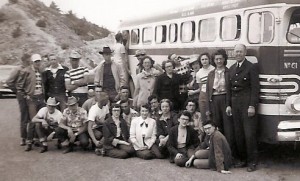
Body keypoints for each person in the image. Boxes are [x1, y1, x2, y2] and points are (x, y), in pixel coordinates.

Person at [229, 44, 259, 172]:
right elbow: (230, 89)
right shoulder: (231, 68)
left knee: (249, 134)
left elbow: (255, 88)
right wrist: (229, 105)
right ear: (233, 53)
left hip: (247, 105)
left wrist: (252, 105)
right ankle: (243, 159)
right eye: (236, 52)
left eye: (240, 52)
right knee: (238, 134)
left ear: (245, 53)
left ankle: (252, 162)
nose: (238, 54)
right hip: (235, 105)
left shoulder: (251, 67)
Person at [206, 49, 234, 154]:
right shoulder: (211, 74)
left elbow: (230, 90)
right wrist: (208, 108)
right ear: (213, 60)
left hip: (225, 100)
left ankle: (229, 153)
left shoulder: (228, 72)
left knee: (228, 128)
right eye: (216, 59)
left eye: (221, 59)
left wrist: (228, 104)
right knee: (216, 126)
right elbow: (208, 91)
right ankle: (217, 152)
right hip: (214, 100)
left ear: (224, 59)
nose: (219, 61)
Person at [18, 54, 46, 151]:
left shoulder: (41, 71)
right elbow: (19, 86)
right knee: (33, 120)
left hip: (41, 98)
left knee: (41, 119)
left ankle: (38, 139)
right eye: (36, 61)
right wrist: (25, 96)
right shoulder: (26, 71)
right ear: (32, 62)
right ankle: (29, 142)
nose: (38, 63)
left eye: (39, 61)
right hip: (32, 98)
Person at [6, 53, 31, 146]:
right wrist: (17, 91)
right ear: (24, 60)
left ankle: (32, 137)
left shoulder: (30, 69)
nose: (30, 61)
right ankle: (23, 138)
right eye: (28, 60)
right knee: (24, 116)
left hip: (30, 94)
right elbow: (9, 82)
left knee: (32, 115)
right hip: (22, 95)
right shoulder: (18, 69)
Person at [87, 91, 110, 155]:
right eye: (106, 100)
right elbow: (89, 128)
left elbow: (109, 119)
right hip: (95, 128)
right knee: (99, 134)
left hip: (102, 126)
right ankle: (97, 145)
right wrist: (95, 141)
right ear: (102, 101)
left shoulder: (105, 107)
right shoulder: (93, 109)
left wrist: (101, 122)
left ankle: (100, 147)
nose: (108, 102)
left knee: (109, 131)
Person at [196, 53, 215, 122]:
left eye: (206, 59)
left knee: (213, 115)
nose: (204, 61)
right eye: (202, 59)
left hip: (213, 94)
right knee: (204, 115)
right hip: (203, 95)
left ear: (209, 60)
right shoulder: (199, 73)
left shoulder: (214, 69)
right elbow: (200, 86)